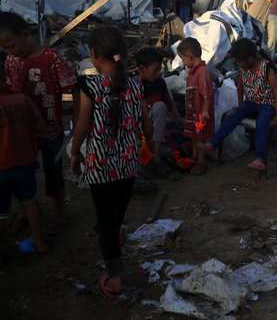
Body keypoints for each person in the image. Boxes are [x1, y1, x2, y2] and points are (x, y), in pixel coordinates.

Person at [70, 26, 153, 298]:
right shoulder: (137, 85)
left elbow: (81, 127)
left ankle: (115, 281)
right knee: (116, 213)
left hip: (99, 167)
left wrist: (74, 152)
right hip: (128, 166)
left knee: (105, 222)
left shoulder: (89, 85)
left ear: (93, 55)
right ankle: (116, 235)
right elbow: (148, 129)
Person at [0, 12, 79, 236]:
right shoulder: (11, 61)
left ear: (26, 35)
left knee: (53, 170)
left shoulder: (51, 57)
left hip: (52, 128)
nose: (9, 52)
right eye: (5, 49)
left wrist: (76, 116)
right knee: (26, 173)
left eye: (11, 46)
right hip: (23, 132)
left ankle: (60, 209)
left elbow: (73, 87)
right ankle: (30, 210)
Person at [199, 38, 277, 172]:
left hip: (267, 104)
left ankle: (260, 158)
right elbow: (240, 87)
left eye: (238, 62)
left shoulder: (266, 67)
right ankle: (213, 144)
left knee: (262, 122)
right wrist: (240, 106)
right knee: (233, 115)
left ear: (249, 59)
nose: (237, 64)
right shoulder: (245, 68)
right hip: (251, 103)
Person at [0, 56, 50, 264]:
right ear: (4, 75)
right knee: (29, 202)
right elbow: (41, 127)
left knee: (1, 212)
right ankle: (41, 244)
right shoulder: (22, 100)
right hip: (25, 163)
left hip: (1, 168)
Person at [135, 47, 184, 177]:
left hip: (153, 122)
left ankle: (156, 157)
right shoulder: (133, 84)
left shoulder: (160, 83)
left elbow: (169, 102)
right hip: (137, 125)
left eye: (160, 69)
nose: (159, 73)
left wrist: (178, 117)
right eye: (155, 70)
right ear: (142, 69)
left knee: (160, 106)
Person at [176, 37, 214, 176]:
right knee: (193, 134)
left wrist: (204, 111)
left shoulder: (202, 72)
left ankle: (202, 160)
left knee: (199, 135)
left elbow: (207, 94)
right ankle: (194, 156)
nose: (183, 62)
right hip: (192, 111)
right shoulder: (193, 72)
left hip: (199, 113)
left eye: (182, 58)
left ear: (189, 56)